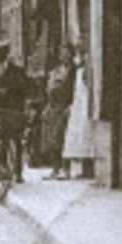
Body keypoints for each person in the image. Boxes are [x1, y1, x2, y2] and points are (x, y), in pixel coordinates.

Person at [0, 40, 29, 197]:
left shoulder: (17, 71)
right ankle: (0, 166)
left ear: (5, 53)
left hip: (12, 111)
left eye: (0, 53)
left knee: (16, 139)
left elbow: (24, 89)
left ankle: (18, 171)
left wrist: (7, 92)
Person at [59, 44, 95, 179]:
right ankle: (70, 169)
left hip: (84, 105)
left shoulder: (85, 68)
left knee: (85, 135)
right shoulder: (77, 68)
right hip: (77, 104)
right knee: (75, 136)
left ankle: (87, 169)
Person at [42, 50, 74, 178]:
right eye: (62, 54)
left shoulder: (72, 71)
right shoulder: (57, 70)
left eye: (66, 54)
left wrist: (71, 105)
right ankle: (55, 168)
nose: (63, 56)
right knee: (53, 140)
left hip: (64, 107)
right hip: (53, 108)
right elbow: (50, 88)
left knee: (63, 139)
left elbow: (73, 89)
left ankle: (65, 169)